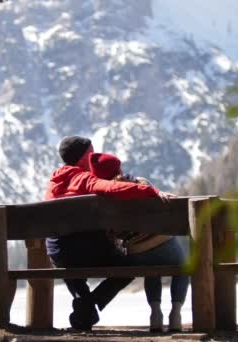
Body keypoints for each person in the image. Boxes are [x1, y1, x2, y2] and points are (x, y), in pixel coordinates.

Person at [45, 136, 169, 330]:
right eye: (91, 154)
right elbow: (110, 188)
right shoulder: (82, 178)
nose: (94, 158)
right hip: (85, 250)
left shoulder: (53, 183)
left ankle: (84, 312)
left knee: (71, 268)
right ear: (81, 158)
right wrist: (149, 190)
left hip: (58, 252)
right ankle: (88, 305)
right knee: (128, 268)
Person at [88, 152, 190, 332]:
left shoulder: (102, 199)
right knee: (183, 268)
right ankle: (175, 313)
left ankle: (155, 313)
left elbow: (110, 234)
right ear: (118, 168)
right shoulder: (140, 183)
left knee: (151, 270)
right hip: (163, 243)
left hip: (137, 252)